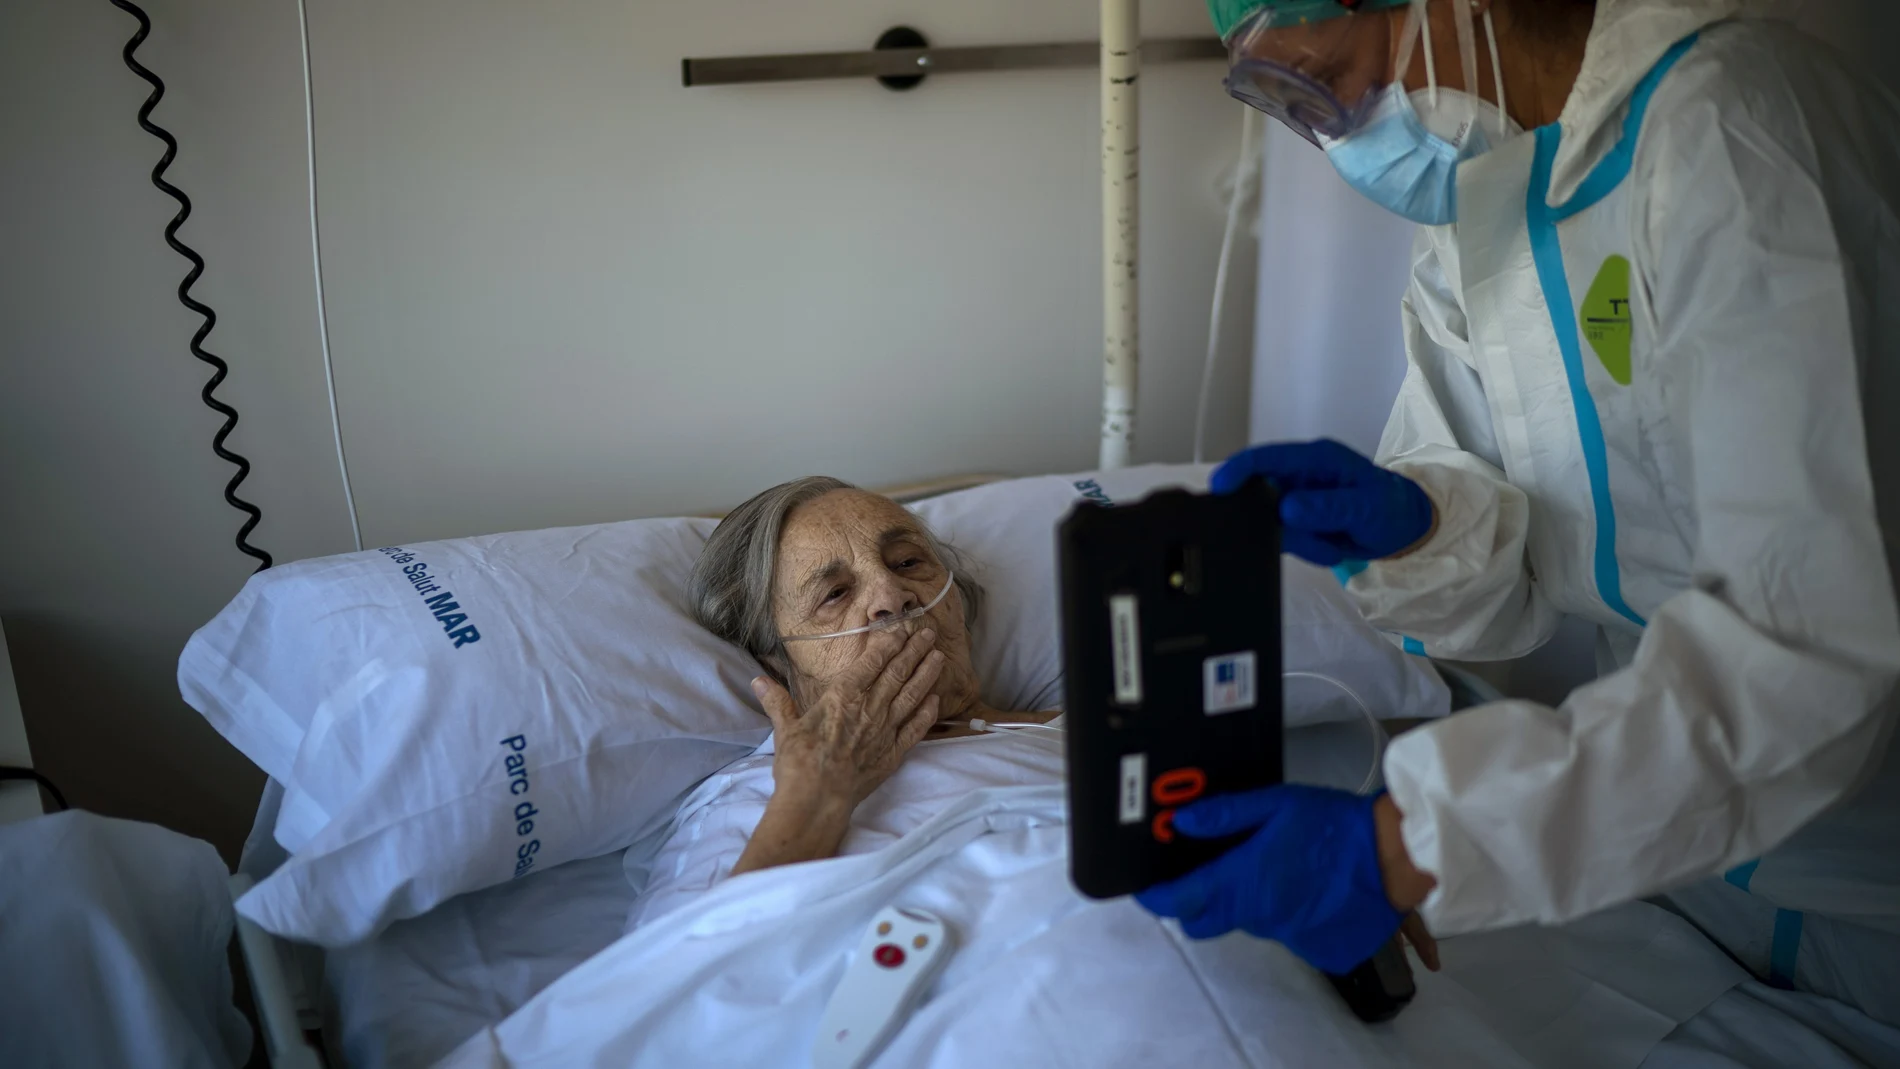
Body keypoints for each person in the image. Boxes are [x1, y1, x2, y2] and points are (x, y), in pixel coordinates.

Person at [1137, 0, 1900, 1026]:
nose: (1349, 134)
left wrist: (1405, 847)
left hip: (1863, 883)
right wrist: (1415, 525)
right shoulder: (1481, 208)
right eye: (1297, 107)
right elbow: (1523, 583)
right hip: (1671, 856)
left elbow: (1806, 650)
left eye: (1339, 79)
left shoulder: (1730, 126)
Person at [688, 476, 1058, 875]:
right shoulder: (751, 803)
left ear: (955, 598)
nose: (892, 595)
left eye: (907, 562)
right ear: (777, 662)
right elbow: (715, 938)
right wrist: (817, 799)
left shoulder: (1100, 728)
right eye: (834, 594)